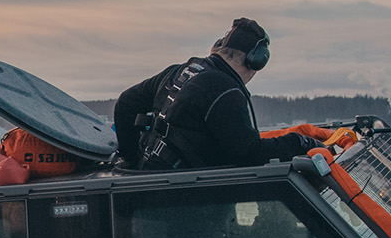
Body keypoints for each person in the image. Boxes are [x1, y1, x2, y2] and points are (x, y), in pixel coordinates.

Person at [112, 17, 317, 170]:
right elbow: (249, 154)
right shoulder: (225, 92)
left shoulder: (179, 71)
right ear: (255, 61)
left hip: (150, 187)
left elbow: (125, 104)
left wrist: (131, 160)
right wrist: (300, 143)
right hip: (184, 206)